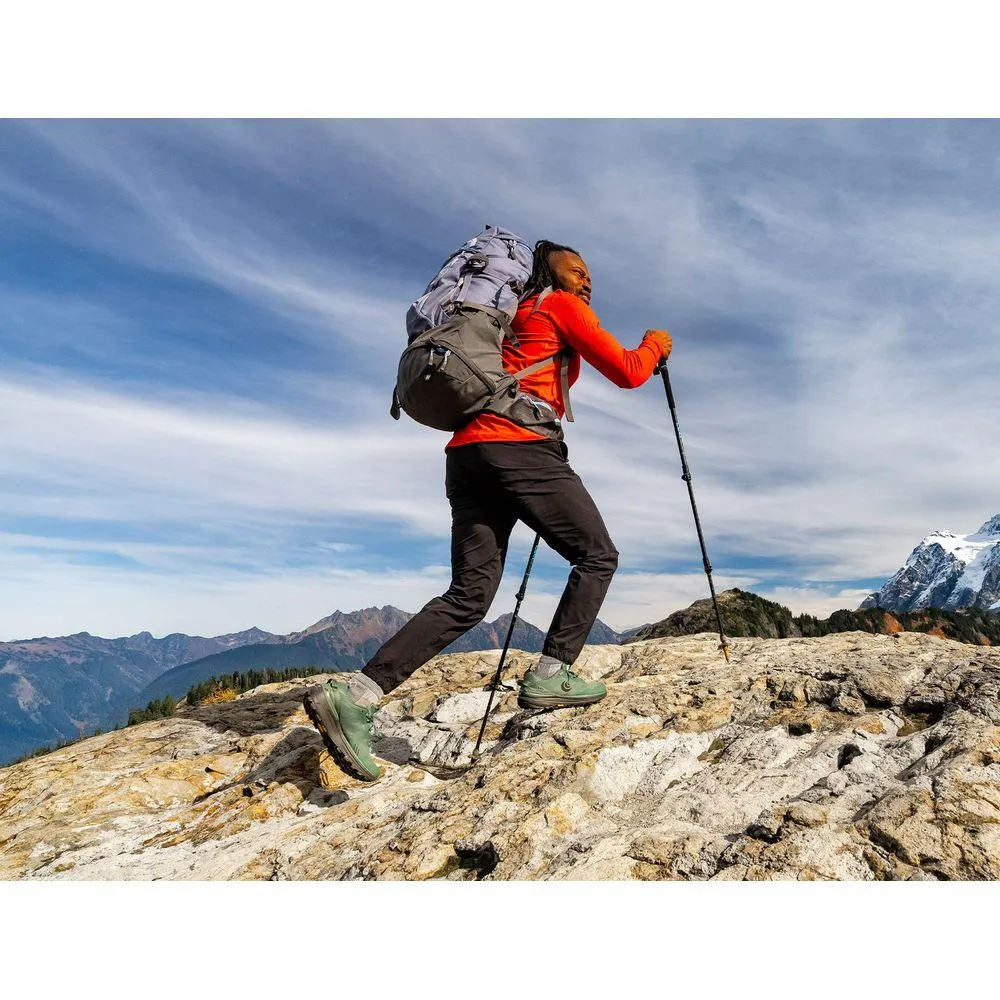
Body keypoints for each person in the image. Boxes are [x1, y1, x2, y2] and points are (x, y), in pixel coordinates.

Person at [303, 240, 673, 781]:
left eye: (590, 275)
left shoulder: (506, 320)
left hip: (468, 454)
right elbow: (627, 370)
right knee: (597, 555)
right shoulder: (557, 305)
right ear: (548, 271)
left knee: (469, 595)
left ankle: (356, 695)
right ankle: (552, 673)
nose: (587, 280)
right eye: (578, 270)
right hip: (519, 445)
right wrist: (655, 343)